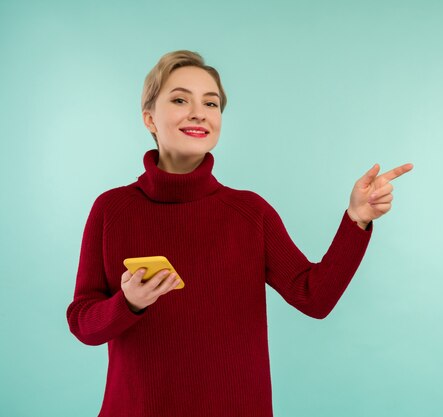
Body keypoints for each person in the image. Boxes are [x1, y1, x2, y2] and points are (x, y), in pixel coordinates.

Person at [66, 50, 413, 417]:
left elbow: (314, 297)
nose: (199, 112)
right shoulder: (112, 210)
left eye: (211, 103)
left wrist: (356, 219)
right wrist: (128, 302)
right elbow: (83, 323)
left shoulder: (249, 212)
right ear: (149, 118)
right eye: (180, 99)